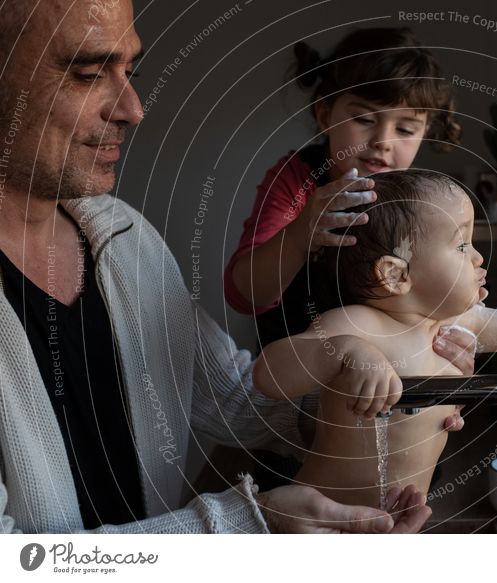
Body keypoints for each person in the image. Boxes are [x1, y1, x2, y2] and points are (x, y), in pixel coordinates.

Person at [0, 0, 429, 534]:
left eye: (129, 72)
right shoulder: (295, 187)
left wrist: (402, 400)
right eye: (88, 73)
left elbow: (233, 397)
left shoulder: (122, 239)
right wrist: (247, 527)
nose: (133, 108)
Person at [255, 170, 497, 507]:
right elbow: (269, 375)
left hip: (395, 524)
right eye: (462, 245)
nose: (479, 258)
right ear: (396, 275)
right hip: (317, 516)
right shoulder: (358, 325)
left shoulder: (457, 325)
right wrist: (346, 352)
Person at [223, 29, 476, 434]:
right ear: (325, 113)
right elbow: (245, 292)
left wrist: (452, 341)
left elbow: (441, 295)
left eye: (406, 129)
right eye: (363, 119)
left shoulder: (422, 201)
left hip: (396, 394)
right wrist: (304, 229)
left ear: (426, 131)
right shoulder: (297, 183)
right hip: (300, 395)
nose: (382, 142)